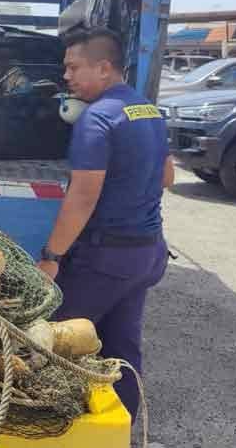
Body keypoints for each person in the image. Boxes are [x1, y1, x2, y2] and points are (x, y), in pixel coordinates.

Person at [37, 27, 174, 422]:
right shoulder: (148, 110)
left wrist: (51, 257)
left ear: (103, 67)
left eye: (73, 67)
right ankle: (124, 431)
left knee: (53, 342)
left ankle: (50, 429)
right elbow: (167, 176)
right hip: (146, 253)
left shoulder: (97, 119)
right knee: (121, 347)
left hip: (106, 259)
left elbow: (82, 198)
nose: (66, 75)